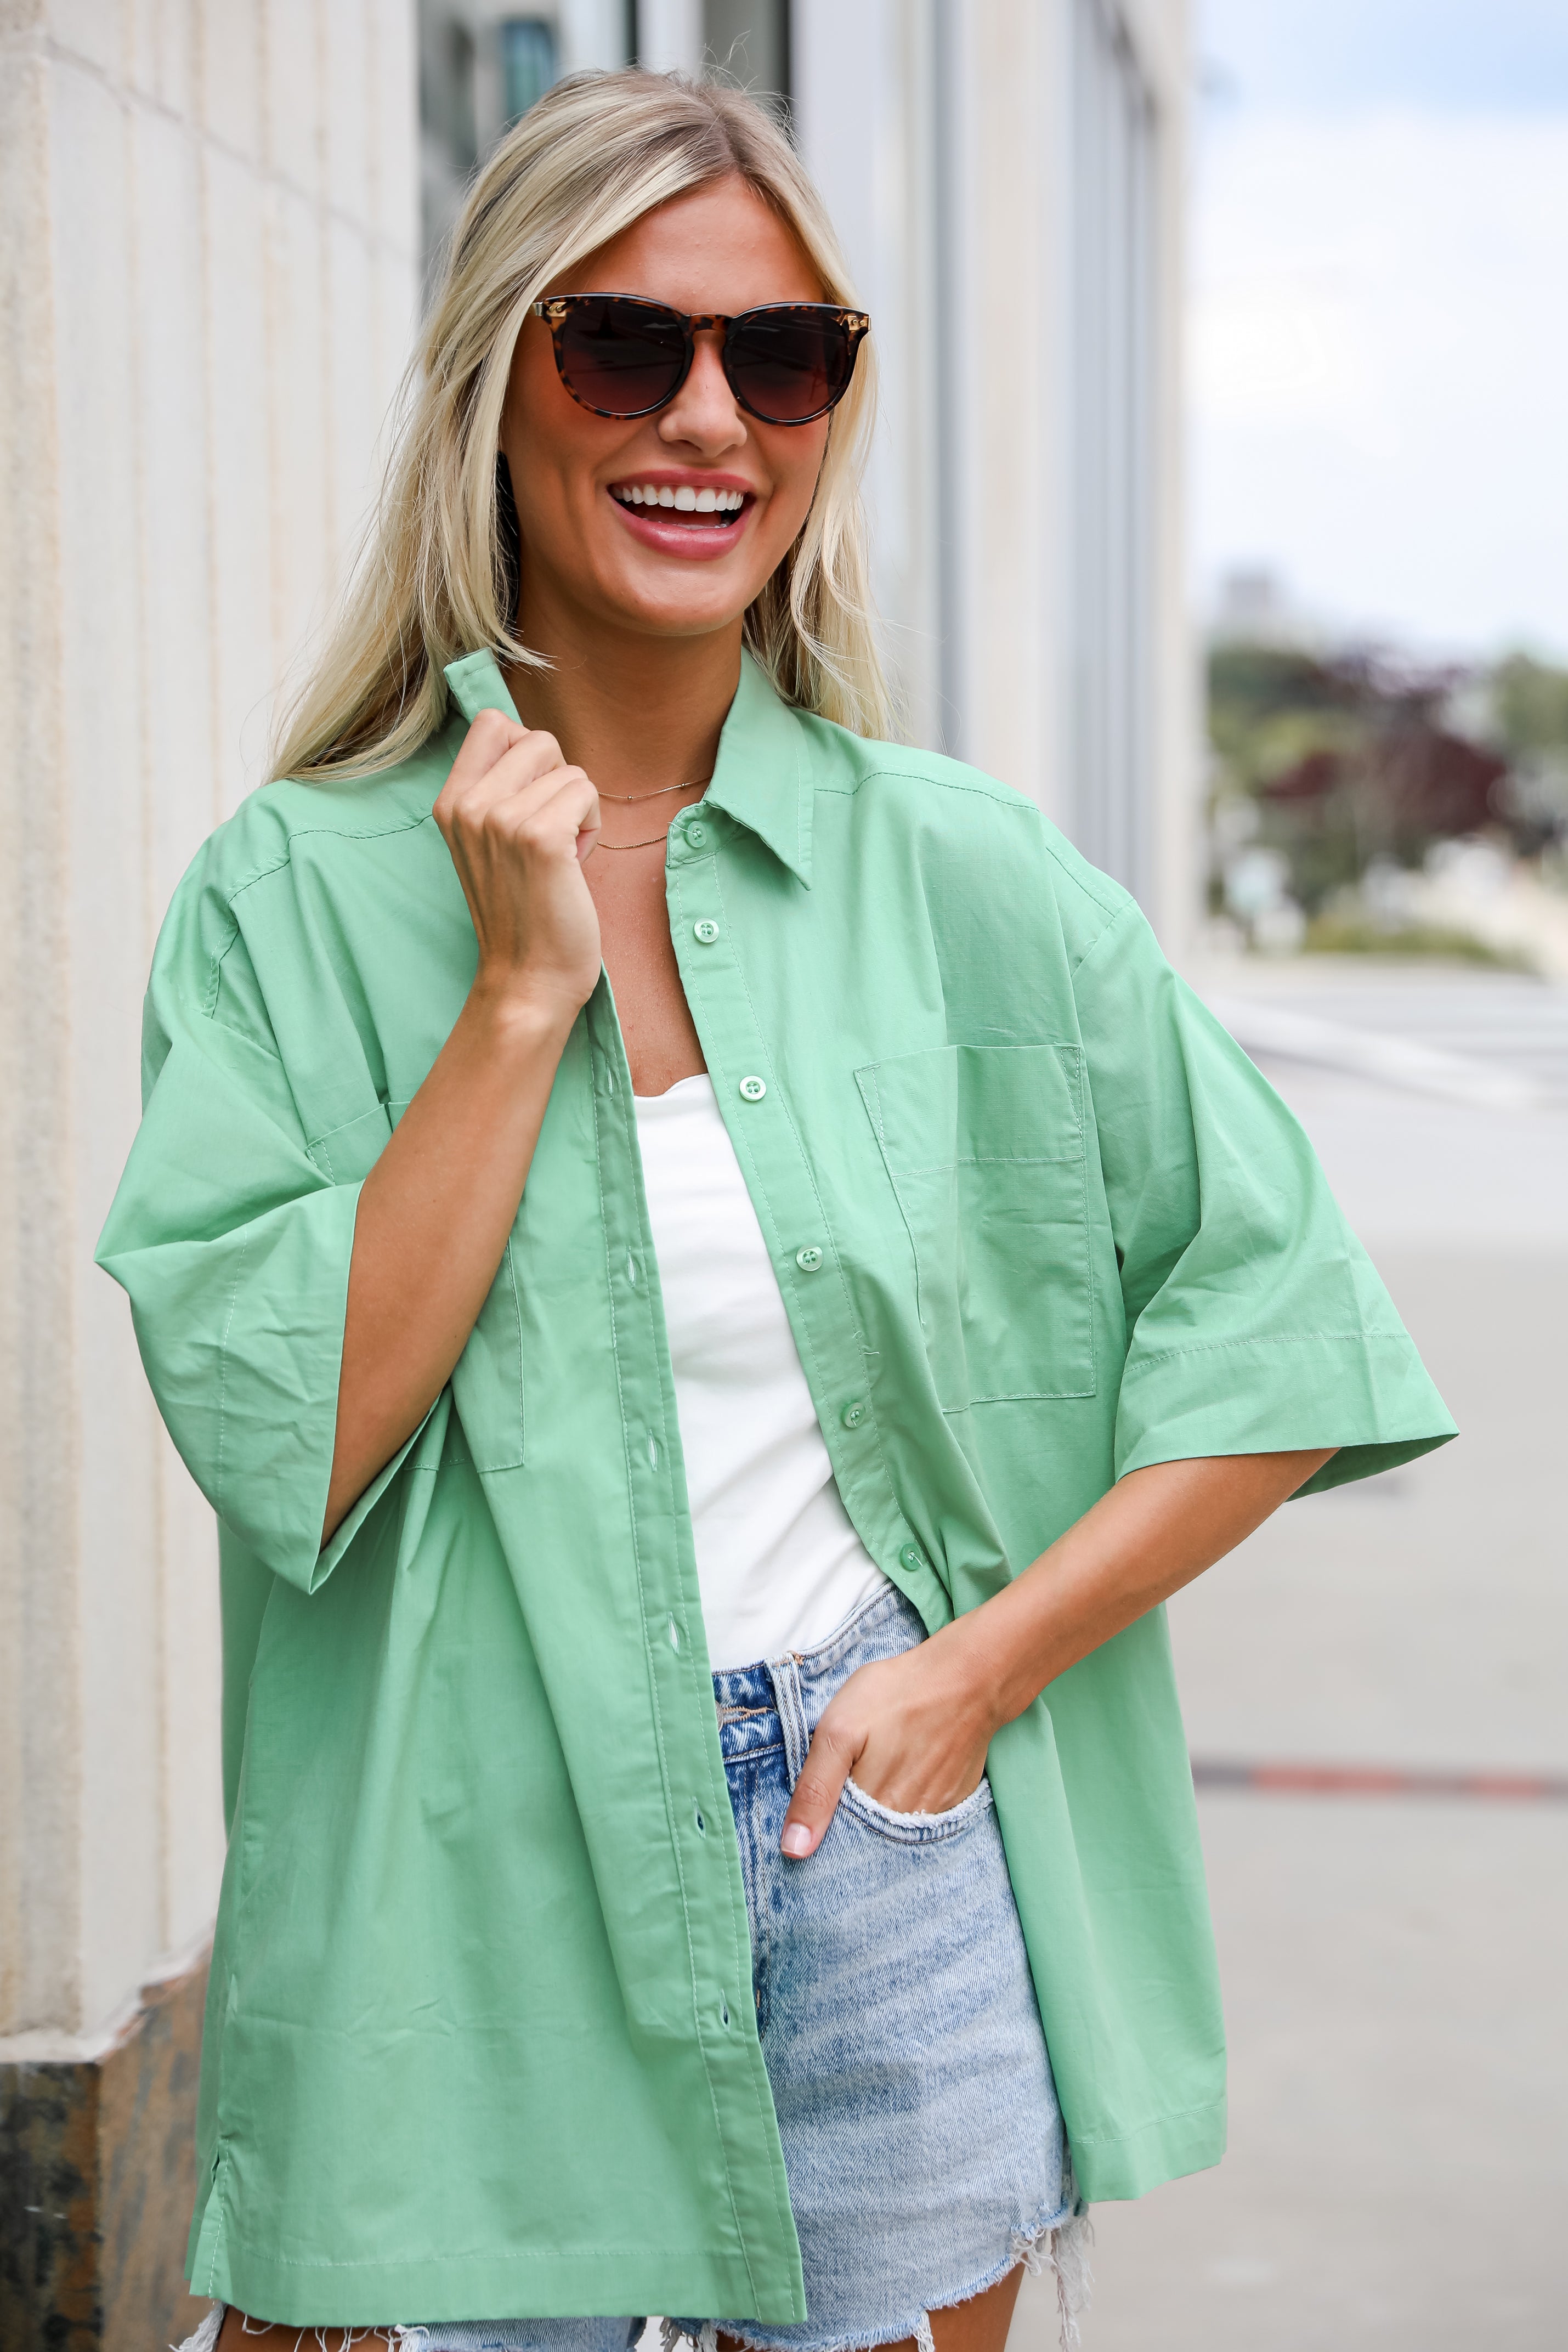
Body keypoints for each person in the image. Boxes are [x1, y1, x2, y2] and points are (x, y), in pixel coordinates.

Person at [99, 67, 1454, 2352]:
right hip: (463, 1880)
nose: (707, 416)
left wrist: (966, 1681)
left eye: (783, 356)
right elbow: (290, 1443)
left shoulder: (971, 879)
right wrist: (519, 994)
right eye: (623, 344)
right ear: (497, 381)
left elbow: (1285, 1326)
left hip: (879, 1856)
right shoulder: (291, 899)